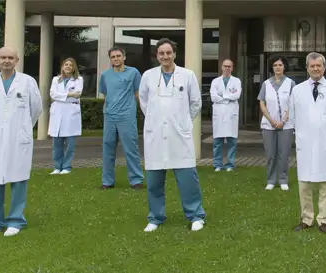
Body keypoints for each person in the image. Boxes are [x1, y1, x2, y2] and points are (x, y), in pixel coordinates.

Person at [138, 38, 206, 232]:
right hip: (155, 134)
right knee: (154, 180)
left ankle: (195, 215)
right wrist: (154, 117)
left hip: (179, 134)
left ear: (175, 54)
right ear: (157, 55)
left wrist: (183, 121)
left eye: (169, 53)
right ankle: (155, 217)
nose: (165, 57)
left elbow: (195, 103)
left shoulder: (187, 75)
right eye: (161, 53)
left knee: (187, 178)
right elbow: (144, 101)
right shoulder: (149, 76)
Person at [0, 47, 42, 238]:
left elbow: (36, 108)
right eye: (3, 57)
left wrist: (22, 128)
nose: (7, 61)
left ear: (17, 60)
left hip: (18, 136)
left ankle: (15, 220)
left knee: (18, 178)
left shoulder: (28, 82)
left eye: (10, 58)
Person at [289, 52, 326, 234]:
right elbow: (293, 116)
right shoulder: (297, 90)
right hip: (305, 142)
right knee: (304, 183)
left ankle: (323, 219)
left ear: (324, 67)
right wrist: (304, 133)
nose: (315, 69)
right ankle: (306, 218)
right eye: (312, 66)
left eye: (318, 65)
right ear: (307, 68)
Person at [99, 47, 145, 189]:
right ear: (110, 59)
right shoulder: (105, 75)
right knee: (108, 149)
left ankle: (136, 180)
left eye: (118, 56)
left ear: (124, 57)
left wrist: (145, 111)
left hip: (126, 116)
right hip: (110, 116)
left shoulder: (133, 73)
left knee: (131, 149)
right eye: (113, 57)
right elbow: (106, 94)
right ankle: (107, 182)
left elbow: (138, 94)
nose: (116, 58)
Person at [258, 55, 296, 191]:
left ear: (284, 67)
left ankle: (283, 179)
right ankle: (271, 180)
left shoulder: (291, 83)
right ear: (272, 68)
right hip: (269, 125)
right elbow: (262, 102)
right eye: (275, 65)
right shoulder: (266, 84)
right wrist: (272, 120)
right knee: (270, 154)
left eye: (280, 65)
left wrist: (284, 120)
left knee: (284, 154)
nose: (278, 67)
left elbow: (293, 104)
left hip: (286, 125)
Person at [48, 57, 83, 175]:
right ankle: (57, 166)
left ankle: (67, 166)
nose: (68, 66)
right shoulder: (56, 79)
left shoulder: (78, 79)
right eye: (66, 64)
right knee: (57, 143)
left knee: (70, 144)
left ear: (74, 68)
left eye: (70, 65)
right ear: (62, 67)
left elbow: (77, 94)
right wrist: (69, 94)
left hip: (71, 113)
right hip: (57, 112)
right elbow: (52, 94)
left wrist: (62, 96)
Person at [210, 58, 242, 172]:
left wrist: (222, 97)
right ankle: (217, 164)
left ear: (232, 68)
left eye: (229, 66)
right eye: (225, 66)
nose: (227, 68)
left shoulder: (237, 81)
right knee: (217, 141)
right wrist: (228, 97)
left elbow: (237, 95)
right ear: (222, 67)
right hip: (219, 113)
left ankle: (230, 164)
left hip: (231, 113)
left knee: (231, 140)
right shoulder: (215, 81)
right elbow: (213, 97)